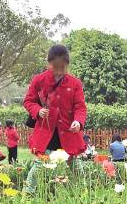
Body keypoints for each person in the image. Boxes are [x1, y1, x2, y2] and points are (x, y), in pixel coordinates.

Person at [23, 44, 87, 193]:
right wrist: (38, 110)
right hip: (46, 131)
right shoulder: (39, 80)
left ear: (67, 64)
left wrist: (78, 121)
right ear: (48, 63)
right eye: (55, 66)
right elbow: (28, 101)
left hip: (69, 131)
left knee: (75, 164)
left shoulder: (75, 83)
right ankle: (28, 193)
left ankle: (83, 192)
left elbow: (80, 107)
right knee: (40, 164)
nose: (58, 71)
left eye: (62, 67)